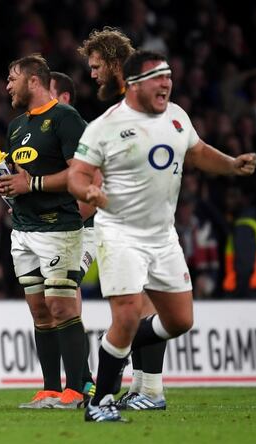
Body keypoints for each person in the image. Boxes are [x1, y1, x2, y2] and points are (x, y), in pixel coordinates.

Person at [68, 50, 256, 422]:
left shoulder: (176, 116)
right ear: (134, 84)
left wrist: (232, 165)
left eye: (169, 75)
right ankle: (100, 402)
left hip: (162, 236)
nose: (167, 82)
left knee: (180, 321)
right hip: (120, 233)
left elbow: (198, 152)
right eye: (158, 77)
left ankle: (114, 352)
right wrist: (86, 191)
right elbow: (78, 173)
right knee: (126, 314)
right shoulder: (105, 126)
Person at [78, 27, 167, 410]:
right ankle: (145, 388)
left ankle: (149, 390)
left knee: (138, 305)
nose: (92, 74)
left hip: (133, 218)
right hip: (138, 215)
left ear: (115, 64)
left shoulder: (129, 110)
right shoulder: (131, 107)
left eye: (97, 67)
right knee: (137, 303)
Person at [0, 54, 88, 409]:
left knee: (62, 307)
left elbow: (79, 174)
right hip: (23, 229)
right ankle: (50, 389)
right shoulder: (17, 126)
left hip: (58, 228)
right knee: (39, 311)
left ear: (34, 81)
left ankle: (77, 391)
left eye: (12, 78)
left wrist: (29, 183)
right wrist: (8, 184)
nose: (7, 85)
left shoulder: (66, 118)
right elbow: (19, 174)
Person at [49, 70, 98, 401]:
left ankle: (85, 380)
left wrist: (63, 222)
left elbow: (91, 194)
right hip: (58, 231)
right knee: (57, 299)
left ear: (64, 98)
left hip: (86, 230)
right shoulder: (45, 134)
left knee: (65, 293)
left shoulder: (80, 134)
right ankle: (79, 380)